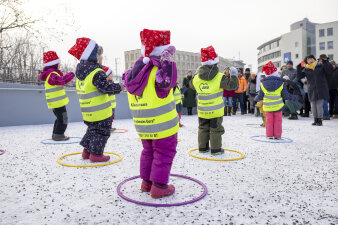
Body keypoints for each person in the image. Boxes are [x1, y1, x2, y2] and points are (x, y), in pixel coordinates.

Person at [124, 29, 178, 199]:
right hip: (163, 125)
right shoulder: (158, 72)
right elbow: (167, 82)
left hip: (143, 125)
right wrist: (167, 61)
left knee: (148, 151)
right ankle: (160, 187)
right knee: (164, 152)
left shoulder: (135, 72)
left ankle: (146, 183)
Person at [68, 37, 122, 162]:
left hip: (88, 111)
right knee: (102, 132)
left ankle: (87, 151)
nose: (101, 57)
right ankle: (96, 154)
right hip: (100, 112)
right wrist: (119, 87)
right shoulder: (96, 71)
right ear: (93, 55)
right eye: (100, 55)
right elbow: (105, 87)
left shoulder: (81, 72)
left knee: (92, 130)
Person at [190, 46, 238, 155]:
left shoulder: (197, 78)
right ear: (215, 63)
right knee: (215, 129)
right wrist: (234, 75)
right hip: (215, 111)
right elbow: (232, 86)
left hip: (202, 110)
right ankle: (216, 150)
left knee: (202, 128)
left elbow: (191, 86)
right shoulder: (220, 77)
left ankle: (203, 148)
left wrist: (195, 75)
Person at [255, 61, 299, 139]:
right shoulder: (281, 83)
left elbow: (260, 96)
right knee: (278, 121)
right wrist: (295, 97)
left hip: (267, 107)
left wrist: (256, 98)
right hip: (278, 107)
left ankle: (269, 135)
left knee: (269, 121)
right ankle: (277, 136)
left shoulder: (263, 83)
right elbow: (285, 96)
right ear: (276, 72)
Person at [38, 51, 75, 141]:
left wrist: (59, 72)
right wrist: (71, 74)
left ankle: (56, 134)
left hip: (56, 102)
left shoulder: (51, 73)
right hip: (57, 102)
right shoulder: (52, 74)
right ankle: (59, 134)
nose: (59, 65)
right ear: (53, 64)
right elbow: (61, 81)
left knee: (60, 118)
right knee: (63, 118)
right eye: (58, 63)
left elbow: (57, 80)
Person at [296, 54, 333, 126]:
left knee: (319, 105)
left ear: (314, 59)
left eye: (311, 58)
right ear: (306, 61)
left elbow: (329, 71)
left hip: (321, 88)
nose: (310, 60)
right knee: (313, 106)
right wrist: (300, 65)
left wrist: (325, 61)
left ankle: (320, 120)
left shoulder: (320, 66)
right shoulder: (307, 69)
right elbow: (299, 76)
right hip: (311, 89)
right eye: (308, 59)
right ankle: (315, 119)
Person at [103, 66, 117, 132]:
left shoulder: (111, 82)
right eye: (111, 74)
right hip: (108, 104)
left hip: (112, 104)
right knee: (108, 117)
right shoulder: (106, 83)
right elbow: (108, 92)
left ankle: (109, 127)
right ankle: (107, 128)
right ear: (107, 75)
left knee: (112, 117)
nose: (112, 76)